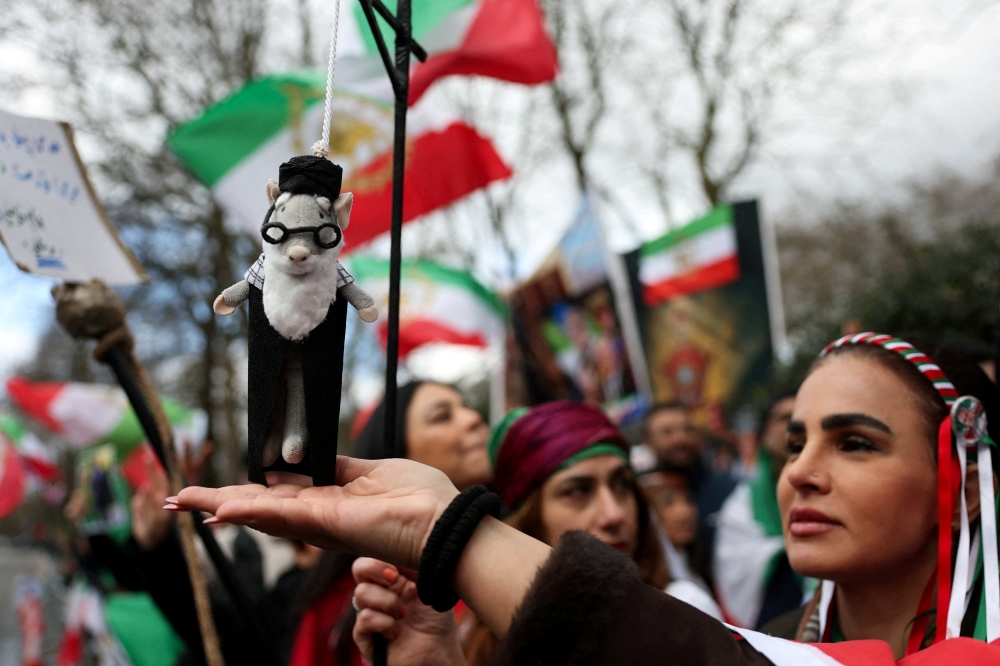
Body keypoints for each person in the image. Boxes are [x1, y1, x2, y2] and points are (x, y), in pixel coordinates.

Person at [168, 333, 1000, 664]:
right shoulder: (760, 640)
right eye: (794, 443)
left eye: (854, 443)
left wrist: (443, 528)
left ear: (961, 476)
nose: (800, 473)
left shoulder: (704, 632)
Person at [283, 380, 492, 666]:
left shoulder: (524, 544)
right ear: (397, 459)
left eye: (466, 406)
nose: (473, 418)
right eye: (443, 416)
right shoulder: (347, 596)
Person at [714, 388, 809, 629]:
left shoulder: (834, 486)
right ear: (764, 435)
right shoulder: (741, 504)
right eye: (784, 418)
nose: (794, 423)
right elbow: (735, 563)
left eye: (802, 414)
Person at [643, 402, 737, 567]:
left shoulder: (729, 490)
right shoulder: (643, 498)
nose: (680, 438)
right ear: (648, 442)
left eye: (687, 430)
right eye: (667, 432)